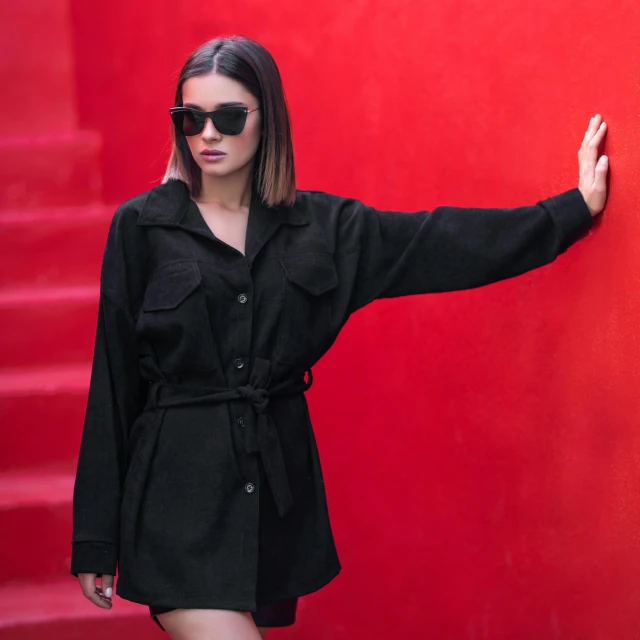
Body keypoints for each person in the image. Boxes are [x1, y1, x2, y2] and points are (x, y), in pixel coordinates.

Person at [70, 34, 608, 640]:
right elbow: (113, 385)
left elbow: (438, 244)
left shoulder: (321, 229)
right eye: (190, 118)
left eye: (226, 117)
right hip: (174, 503)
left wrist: (571, 213)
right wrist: (95, 537)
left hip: (270, 507)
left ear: (266, 118)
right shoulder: (140, 228)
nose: (208, 135)